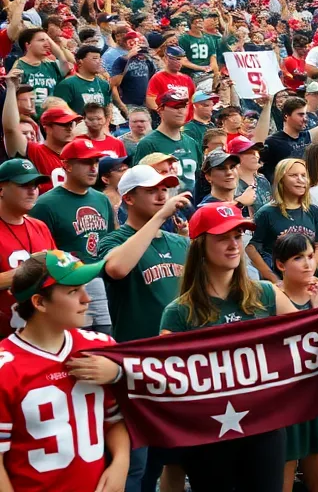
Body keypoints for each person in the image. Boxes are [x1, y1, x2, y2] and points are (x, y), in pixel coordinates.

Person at [160, 201, 298, 490]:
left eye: (238, 236)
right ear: (199, 245)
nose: (234, 244)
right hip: (208, 434)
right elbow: (165, 378)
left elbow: (311, 337)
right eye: (223, 237)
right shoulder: (178, 312)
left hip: (265, 428)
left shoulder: (267, 294)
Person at [0, 250, 129, 492]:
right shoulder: (6, 368)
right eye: (73, 291)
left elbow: (114, 419)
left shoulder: (100, 348)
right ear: (39, 302)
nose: (87, 299)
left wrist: (121, 463)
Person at [98, 164, 191, 492]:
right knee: (136, 467)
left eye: (165, 188)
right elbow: (117, 268)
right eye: (152, 190)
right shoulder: (115, 239)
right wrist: (157, 219)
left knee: (176, 459)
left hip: (177, 367)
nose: (162, 194)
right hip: (136, 367)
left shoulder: (180, 243)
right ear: (128, 198)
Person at [273, 233, 318, 492]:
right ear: (280, 265)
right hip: (284, 407)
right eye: (297, 258)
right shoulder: (269, 298)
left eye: (311, 257)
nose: (307, 264)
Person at [29, 138, 113, 334]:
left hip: (102, 283)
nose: (93, 168)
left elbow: (109, 240)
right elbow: (40, 256)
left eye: (96, 162)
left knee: (106, 340)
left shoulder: (101, 199)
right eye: (86, 162)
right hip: (67, 288)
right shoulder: (45, 204)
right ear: (66, 165)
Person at [0, 158, 56, 337]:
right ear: (1, 188)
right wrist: (25, 274)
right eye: (24, 184)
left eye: (36, 184)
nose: (33, 190)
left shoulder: (40, 226)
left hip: (40, 331)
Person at [250, 158, 318, 283]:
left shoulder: (313, 211)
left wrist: (311, 270)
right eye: (294, 175)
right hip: (281, 284)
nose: (300, 180)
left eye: (303, 175)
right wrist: (274, 279)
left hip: (310, 283)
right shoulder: (266, 213)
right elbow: (251, 249)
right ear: (281, 179)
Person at [131, 90, 203, 198]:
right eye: (175, 106)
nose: (180, 111)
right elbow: (139, 183)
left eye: (183, 106)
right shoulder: (148, 144)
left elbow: (198, 178)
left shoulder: (192, 143)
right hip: (162, 207)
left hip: (190, 207)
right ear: (160, 110)